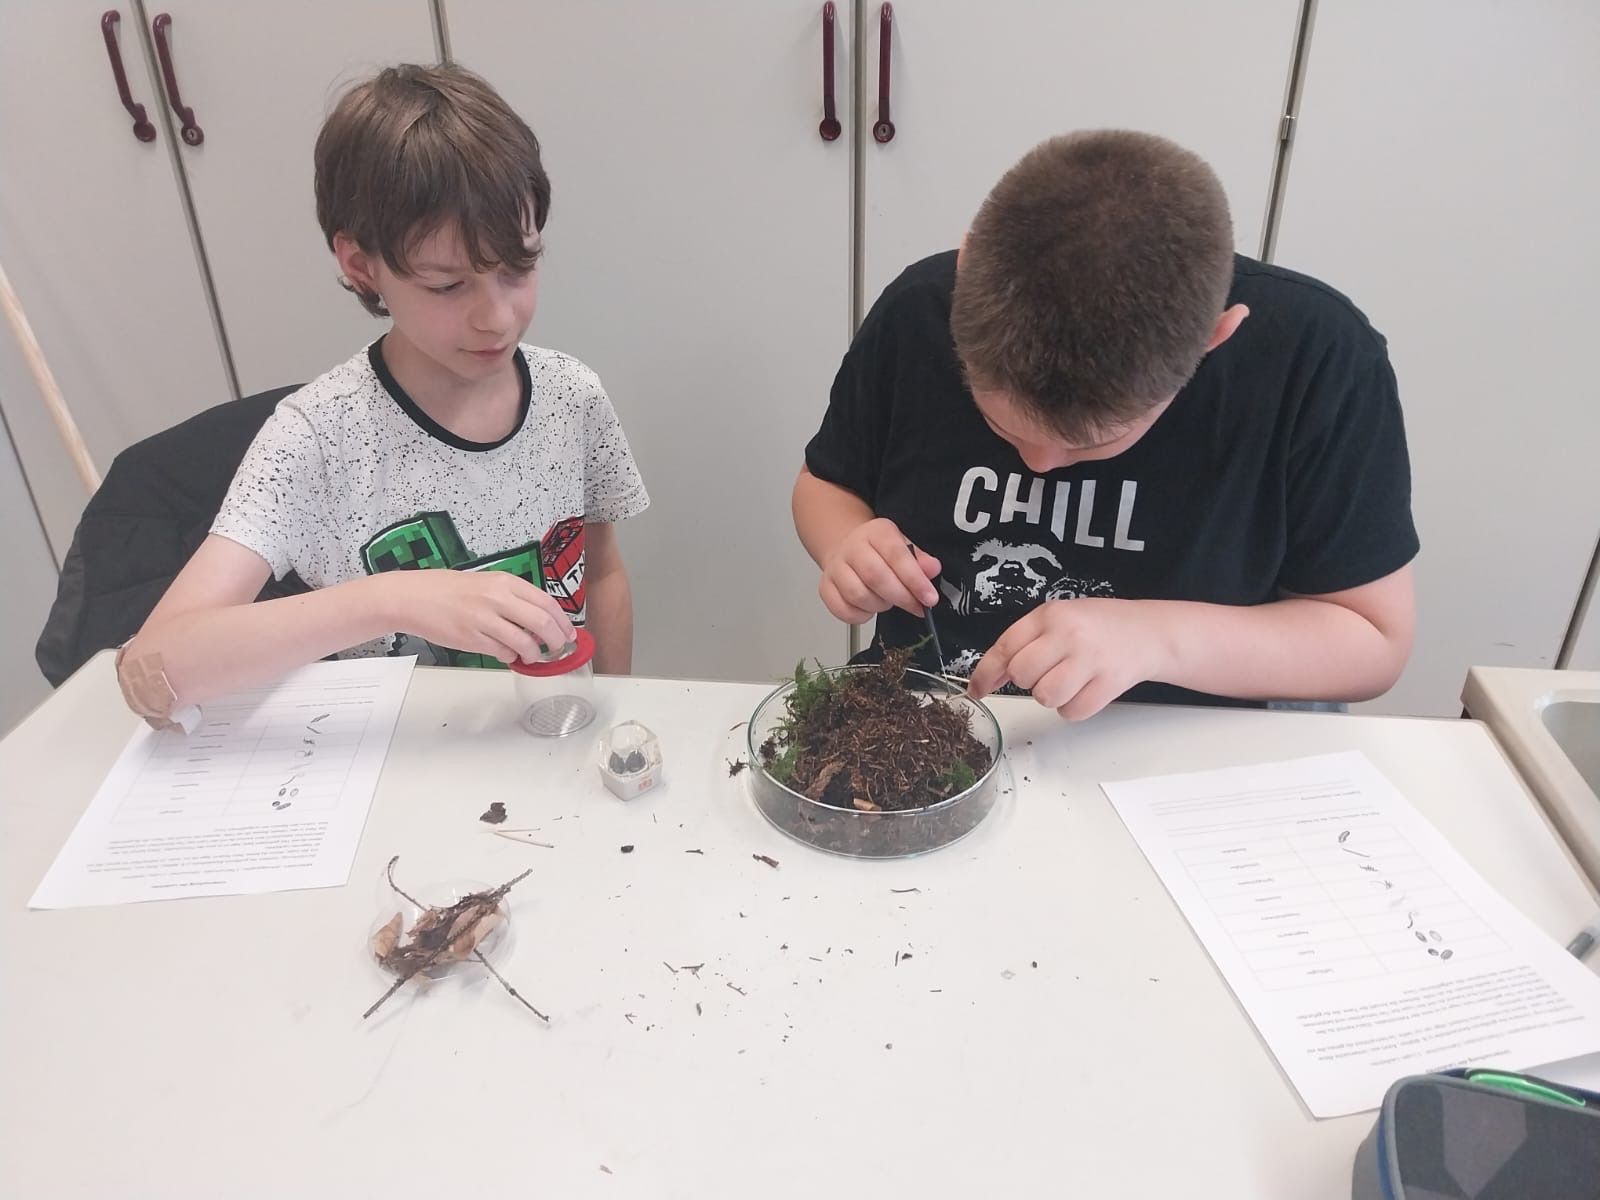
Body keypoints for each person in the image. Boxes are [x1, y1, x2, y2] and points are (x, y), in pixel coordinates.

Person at [793, 130, 1416, 719]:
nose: (1038, 465)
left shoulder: (1317, 360)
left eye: (1091, 443)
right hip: (927, 718)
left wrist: (1158, 638)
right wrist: (846, 542)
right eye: (1001, 426)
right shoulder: (917, 313)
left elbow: (1372, 639)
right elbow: (826, 484)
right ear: (966, 265)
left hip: (1176, 749)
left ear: (1213, 339)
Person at [118, 64, 648, 728]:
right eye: (447, 285)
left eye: (519, 267)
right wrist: (394, 598)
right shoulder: (315, 437)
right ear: (361, 266)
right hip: (395, 769)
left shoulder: (572, 397)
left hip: (550, 744)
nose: (497, 318)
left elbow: (602, 573)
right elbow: (155, 669)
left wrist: (612, 719)